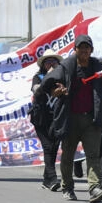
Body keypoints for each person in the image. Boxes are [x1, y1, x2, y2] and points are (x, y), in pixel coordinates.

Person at [39, 34, 102, 203]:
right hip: (70, 119)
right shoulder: (66, 67)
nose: (85, 50)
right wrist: (56, 92)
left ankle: (94, 188)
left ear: (92, 50)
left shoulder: (97, 67)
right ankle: (67, 187)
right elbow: (50, 85)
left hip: (91, 120)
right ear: (75, 49)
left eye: (87, 47)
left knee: (93, 155)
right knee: (68, 156)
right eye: (81, 47)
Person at [30, 48, 62, 191]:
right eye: (48, 62)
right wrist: (48, 78)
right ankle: (53, 178)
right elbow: (36, 90)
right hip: (41, 118)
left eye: (54, 61)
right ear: (43, 64)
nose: (51, 64)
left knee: (54, 147)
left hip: (56, 118)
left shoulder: (61, 78)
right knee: (47, 146)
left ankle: (46, 179)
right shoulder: (38, 77)